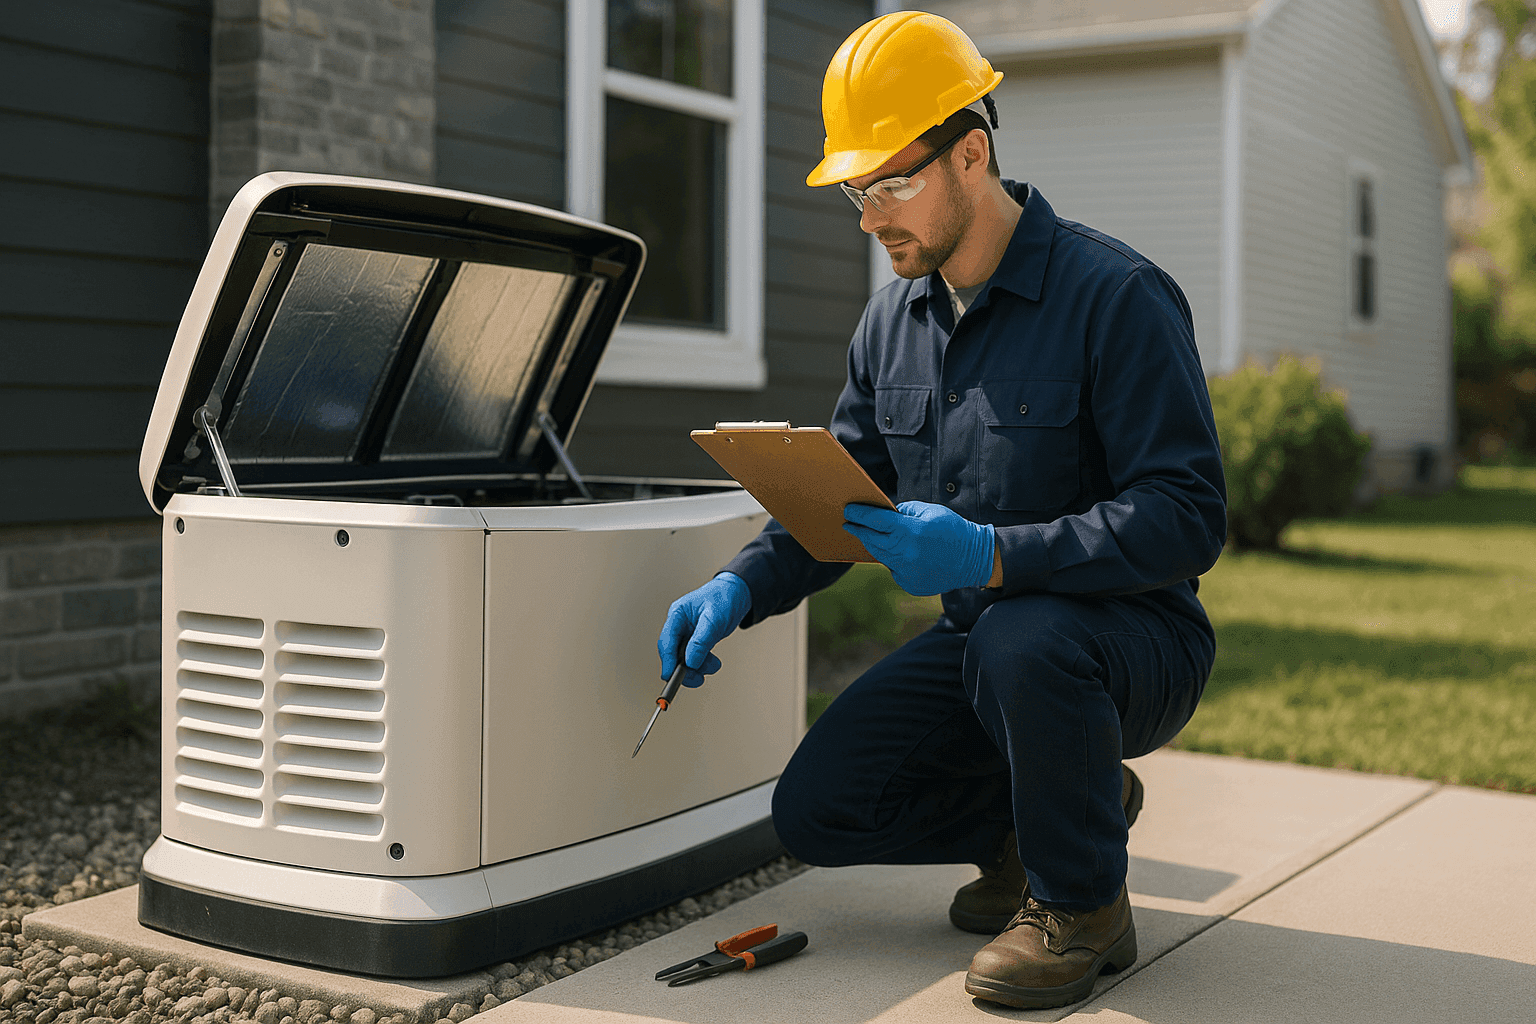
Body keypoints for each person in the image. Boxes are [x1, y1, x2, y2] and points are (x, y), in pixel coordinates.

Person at [656, 11, 1226, 1011]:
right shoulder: (891, 322)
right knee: (817, 810)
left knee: (1022, 633)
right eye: (855, 191)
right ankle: (1053, 814)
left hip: (1130, 643)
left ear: (972, 153)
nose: (870, 218)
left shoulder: (1117, 296)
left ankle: (1081, 902)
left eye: (890, 184)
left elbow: (1187, 516)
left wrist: (990, 555)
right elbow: (844, 507)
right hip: (989, 653)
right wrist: (739, 584)